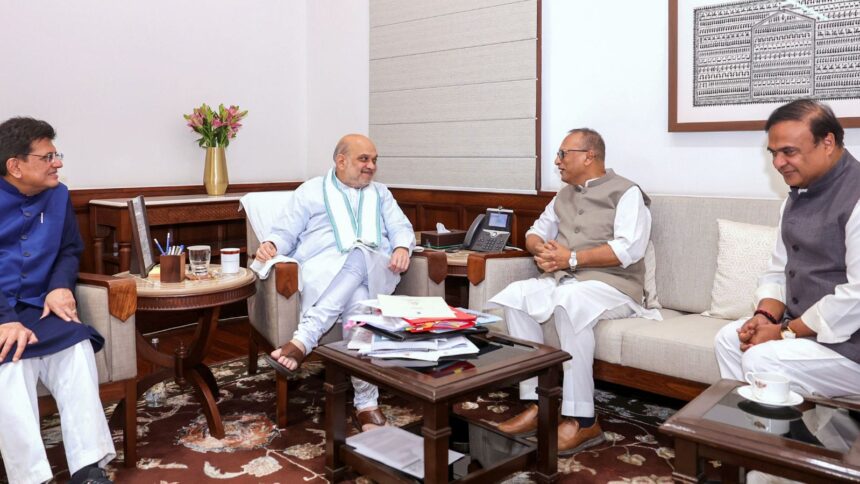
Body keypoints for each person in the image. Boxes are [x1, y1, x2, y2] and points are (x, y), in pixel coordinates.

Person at [488, 128, 660, 455]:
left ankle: (583, 421)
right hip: (569, 282)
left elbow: (629, 249)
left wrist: (572, 257)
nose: (557, 161)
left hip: (616, 287)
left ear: (588, 156)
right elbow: (534, 233)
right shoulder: (563, 194)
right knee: (517, 297)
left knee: (569, 303)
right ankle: (541, 403)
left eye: (563, 154)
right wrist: (544, 251)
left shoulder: (627, 193)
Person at [256, 134, 415, 431]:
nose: (371, 166)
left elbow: (400, 227)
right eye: (364, 159)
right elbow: (285, 230)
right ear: (340, 161)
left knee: (359, 251)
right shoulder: (311, 191)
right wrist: (271, 244)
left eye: (374, 160)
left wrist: (402, 247)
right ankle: (367, 404)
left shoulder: (381, 193)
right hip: (323, 270)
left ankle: (304, 339)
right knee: (358, 302)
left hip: (376, 268)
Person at [715, 99, 860, 398]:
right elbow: (779, 271)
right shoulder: (794, 198)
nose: (778, 163)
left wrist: (784, 332)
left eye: (789, 152)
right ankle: (746, 434)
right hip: (810, 334)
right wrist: (765, 318)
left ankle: (779, 441)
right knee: (729, 339)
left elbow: (857, 298)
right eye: (774, 153)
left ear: (828, 142)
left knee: (760, 357)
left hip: (852, 346)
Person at [0, 117, 114, 484]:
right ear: (14, 166)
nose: (58, 163)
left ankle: (88, 468)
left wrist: (60, 286)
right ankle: (31, 478)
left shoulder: (59, 194)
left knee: (77, 345)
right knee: (10, 363)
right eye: (48, 156)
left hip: (38, 305)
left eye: (57, 154)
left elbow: (68, 250)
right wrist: (4, 317)